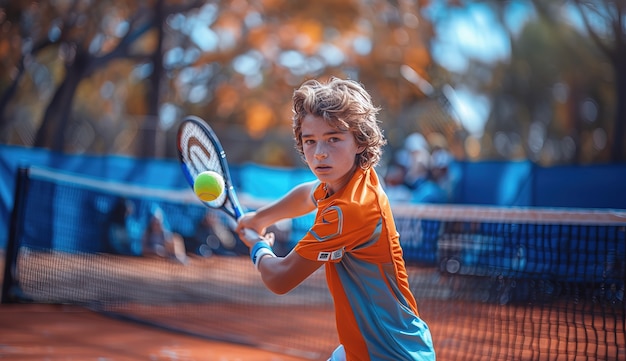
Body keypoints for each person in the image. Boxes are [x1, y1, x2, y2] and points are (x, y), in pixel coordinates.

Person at [235, 77, 435, 361]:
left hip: (388, 354)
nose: (319, 153)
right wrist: (260, 217)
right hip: (372, 348)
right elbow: (308, 194)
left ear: (360, 141)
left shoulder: (347, 210)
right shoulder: (356, 179)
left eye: (334, 139)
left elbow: (280, 279)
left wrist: (257, 245)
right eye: (310, 141)